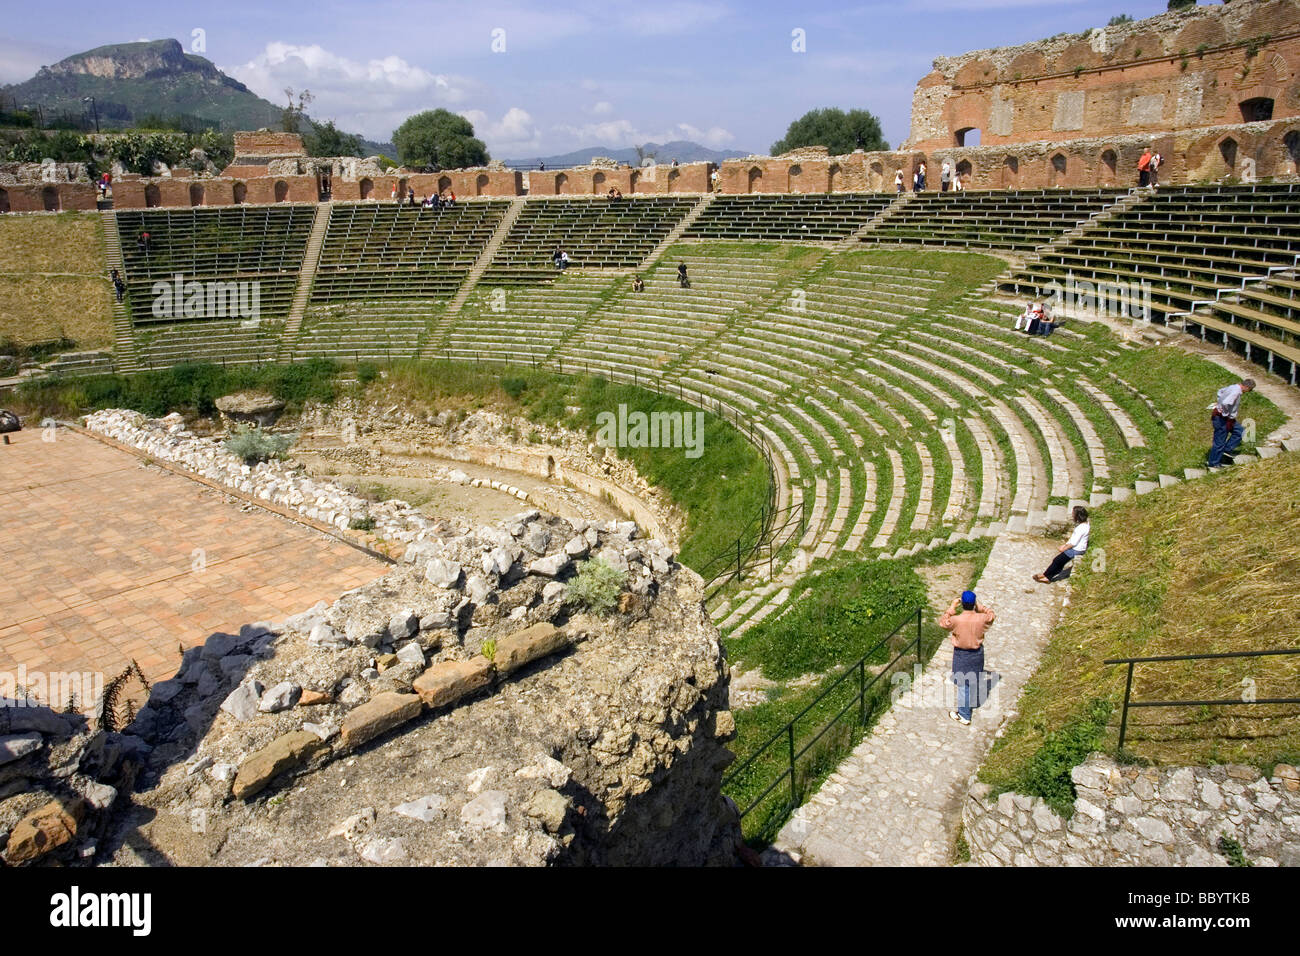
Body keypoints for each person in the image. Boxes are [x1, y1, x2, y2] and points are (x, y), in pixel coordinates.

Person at [939, 590, 996, 725]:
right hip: (977, 653)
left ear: (962, 604)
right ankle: (970, 703)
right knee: (973, 679)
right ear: (974, 603)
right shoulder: (982, 618)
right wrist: (980, 607)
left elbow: (943, 623)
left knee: (963, 685)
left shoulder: (956, 620)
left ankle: (964, 715)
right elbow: (991, 615)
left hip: (962, 655)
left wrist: (952, 607)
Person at [1206, 378, 1256, 468]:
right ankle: (1214, 463)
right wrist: (1225, 413)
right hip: (1222, 418)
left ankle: (1226, 450)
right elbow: (1226, 403)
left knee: (1240, 431)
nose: (1248, 392)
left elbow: (1220, 392)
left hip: (1226, 418)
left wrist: (1219, 403)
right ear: (1247, 387)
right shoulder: (1236, 392)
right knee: (1219, 442)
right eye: (1250, 390)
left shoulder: (1233, 387)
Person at [1034, 506, 1090, 584]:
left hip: (1076, 549)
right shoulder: (1085, 524)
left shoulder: (1081, 528)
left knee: (1058, 561)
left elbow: (1074, 543)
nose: (1072, 515)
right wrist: (1065, 544)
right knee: (1058, 561)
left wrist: (1064, 548)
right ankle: (1045, 574)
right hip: (1076, 548)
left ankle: (1047, 577)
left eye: (1073, 513)